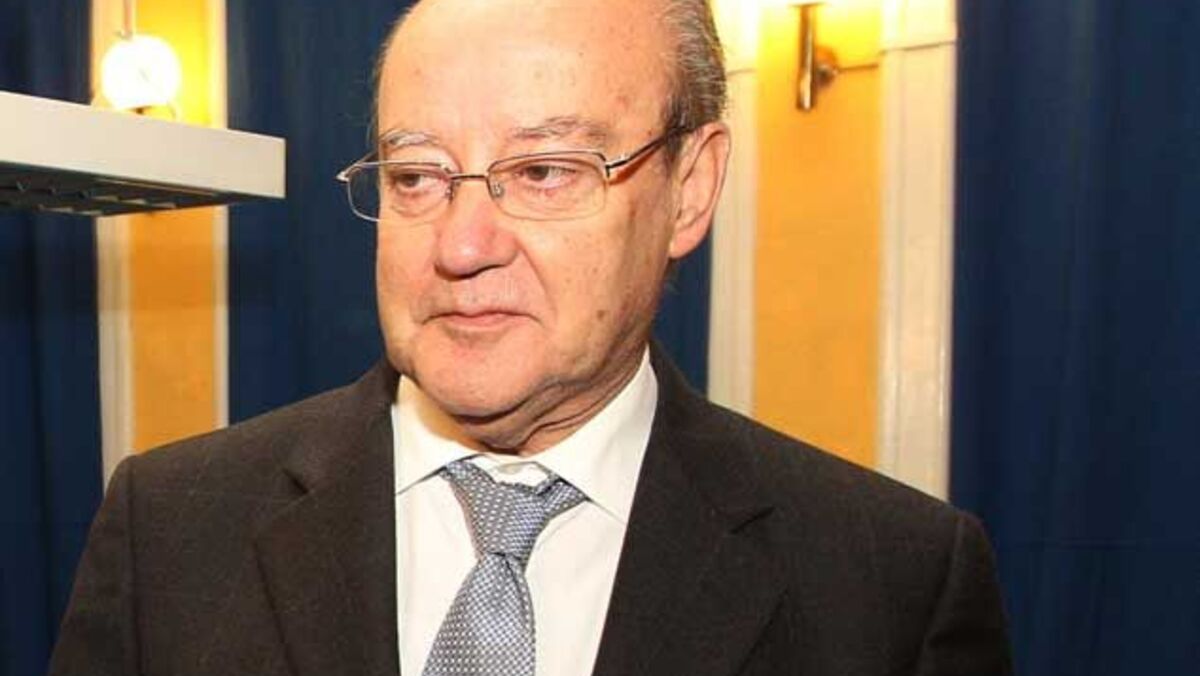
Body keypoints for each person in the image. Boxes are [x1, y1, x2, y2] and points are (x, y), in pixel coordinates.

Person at [50, 0, 1012, 674]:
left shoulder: (892, 586)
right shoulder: (169, 532)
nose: (462, 246)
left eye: (546, 170)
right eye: (417, 176)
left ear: (690, 189)